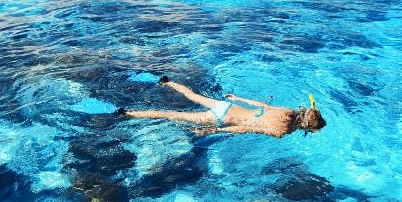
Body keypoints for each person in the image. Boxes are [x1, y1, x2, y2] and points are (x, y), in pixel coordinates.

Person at [117, 77, 326, 138]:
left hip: (226, 105)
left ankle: (166, 82)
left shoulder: (286, 110)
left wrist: (237, 97)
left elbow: (261, 104)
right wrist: (213, 131)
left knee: (192, 95)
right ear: (306, 128)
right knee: (172, 115)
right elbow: (246, 128)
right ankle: (128, 113)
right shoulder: (281, 131)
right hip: (221, 119)